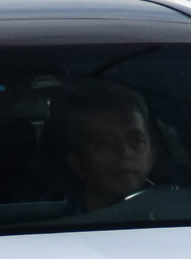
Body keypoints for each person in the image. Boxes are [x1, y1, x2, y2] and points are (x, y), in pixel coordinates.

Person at [52, 80, 158, 211]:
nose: (125, 152)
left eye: (135, 141)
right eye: (104, 143)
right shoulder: (53, 226)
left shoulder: (178, 212)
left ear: (151, 157)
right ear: (77, 164)